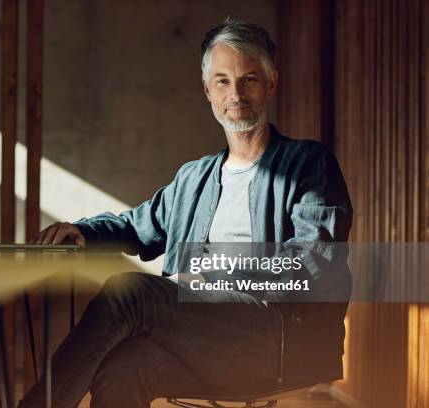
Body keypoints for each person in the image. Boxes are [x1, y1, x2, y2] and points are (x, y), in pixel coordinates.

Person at [19, 17, 353, 408]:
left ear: (271, 84)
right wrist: (83, 233)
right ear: (207, 90)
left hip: (274, 341)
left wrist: (207, 276)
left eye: (249, 79)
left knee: (130, 292)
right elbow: (138, 224)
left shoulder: (308, 163)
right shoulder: (195, 178)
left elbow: (311, 265)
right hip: (203, 342)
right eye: (223, 81)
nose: (236, 93)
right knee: (127, 365)